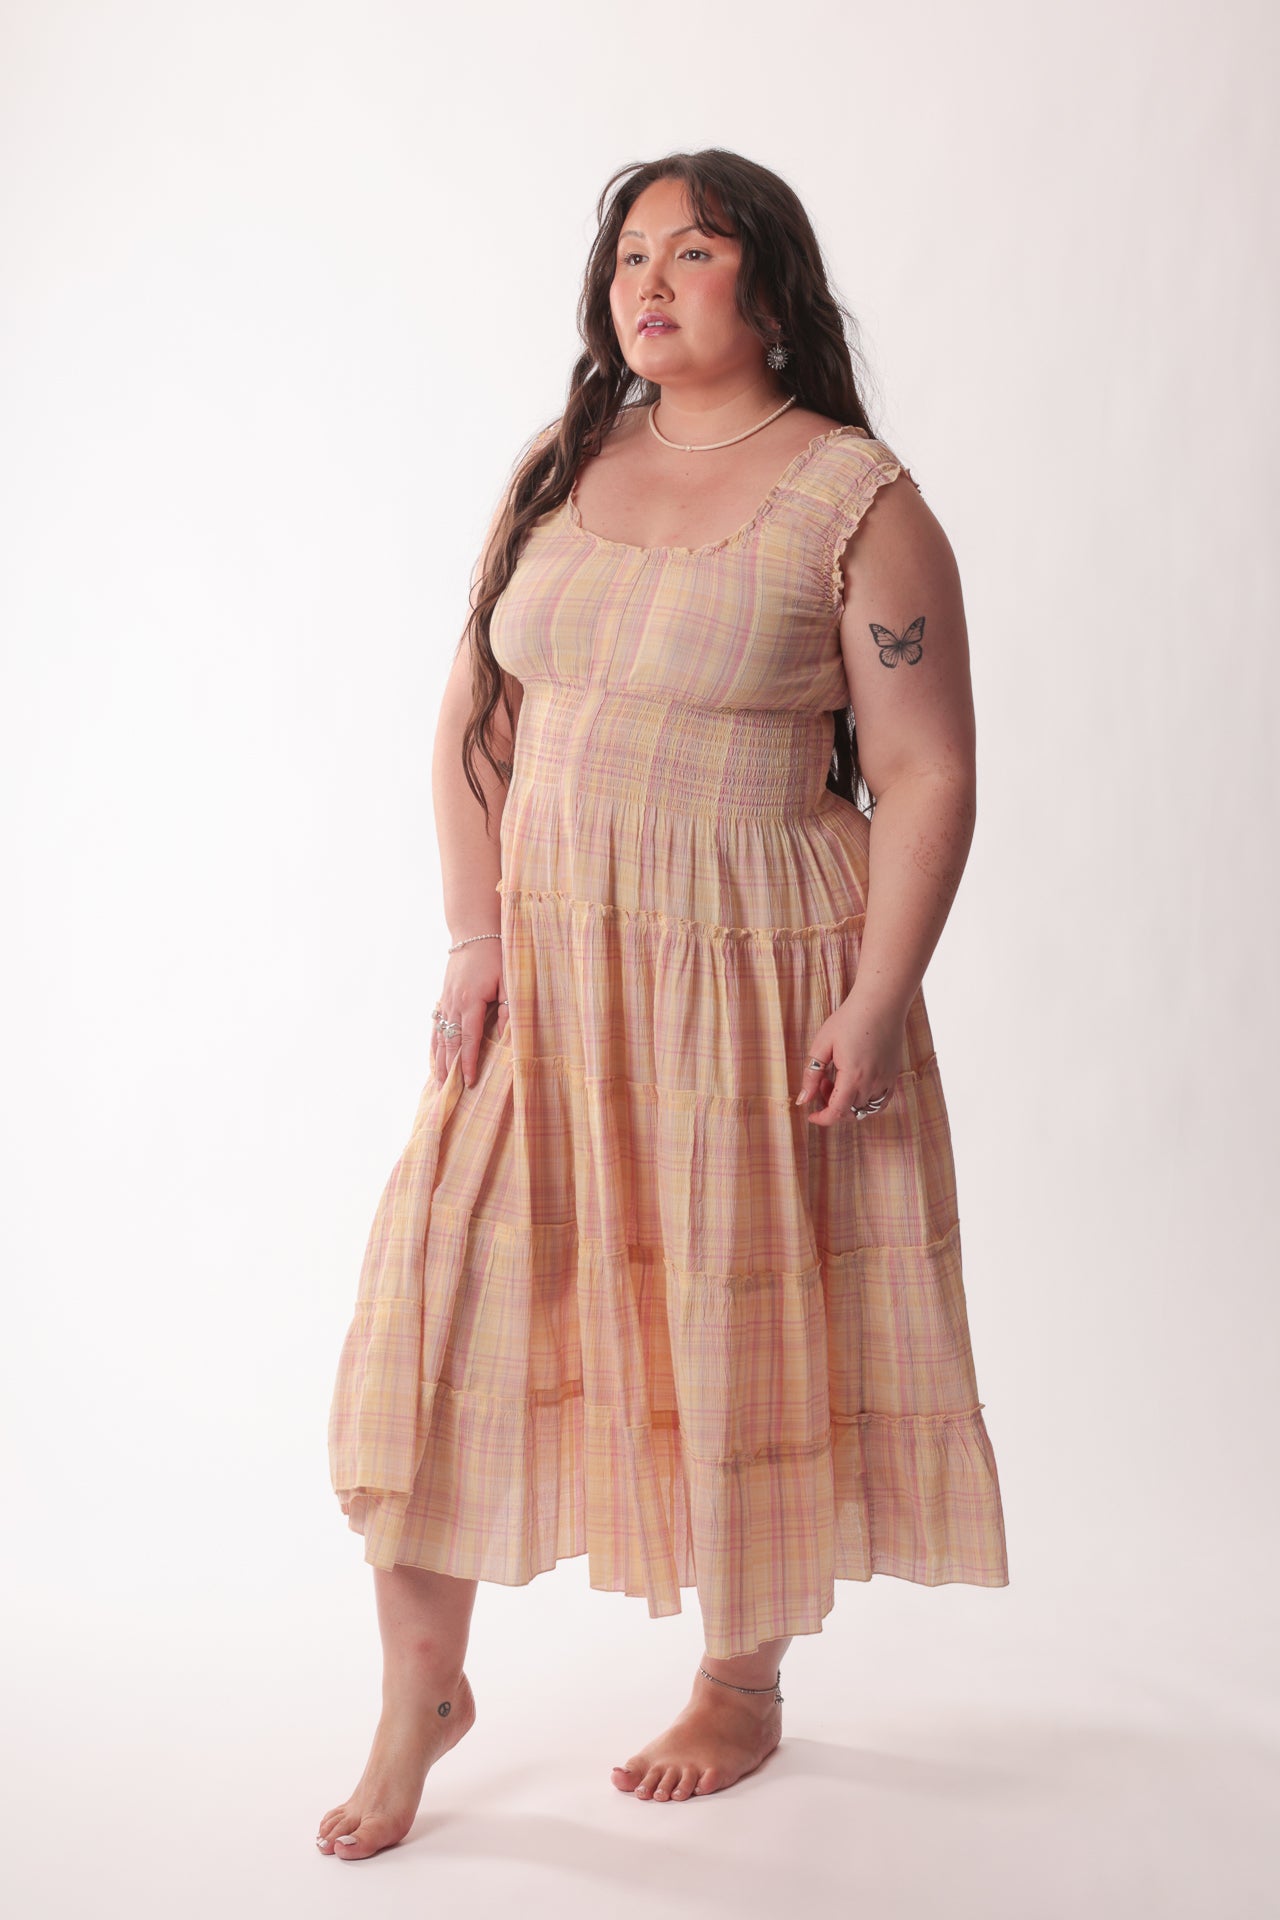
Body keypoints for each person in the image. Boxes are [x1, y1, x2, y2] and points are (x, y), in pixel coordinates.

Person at [317, 148, 1008, 1860]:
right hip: (551, 973)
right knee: (434, 1314)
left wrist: (879, 993)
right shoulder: (562, 464)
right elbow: (477, 718)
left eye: (694, 251)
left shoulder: (857, 499)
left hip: (755, 970)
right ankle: (421, 1694)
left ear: (771, 287)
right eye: (632, 252)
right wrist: (473, 938)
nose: (651, 279)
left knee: (737, 1324)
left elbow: (926, 768)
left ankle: (740, 1684)